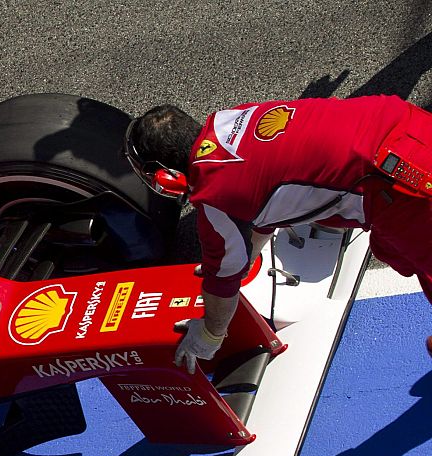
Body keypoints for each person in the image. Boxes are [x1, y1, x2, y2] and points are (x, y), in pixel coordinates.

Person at [124, 96, 432, 372]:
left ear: (168, 177)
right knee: (392, 247)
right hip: (408, 125)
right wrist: (239, 258)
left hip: (405, 184)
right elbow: (267, 202)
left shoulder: (214, 195)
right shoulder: (232, 120)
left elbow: (222, 284)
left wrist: (209, 335)